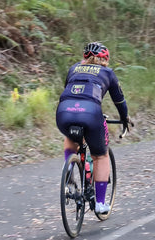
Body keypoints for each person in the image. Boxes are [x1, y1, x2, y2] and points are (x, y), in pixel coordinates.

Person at [56, 42, 131, 214]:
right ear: (105, 59)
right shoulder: (107, 72)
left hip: (64, 112)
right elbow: (119, 101)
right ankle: (99, 203)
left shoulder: (74, 68)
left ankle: (69, 167)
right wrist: (124, 118)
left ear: (85, 56)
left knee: (71, 137)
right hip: (90, 113)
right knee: (100, 156)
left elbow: (70, 90)